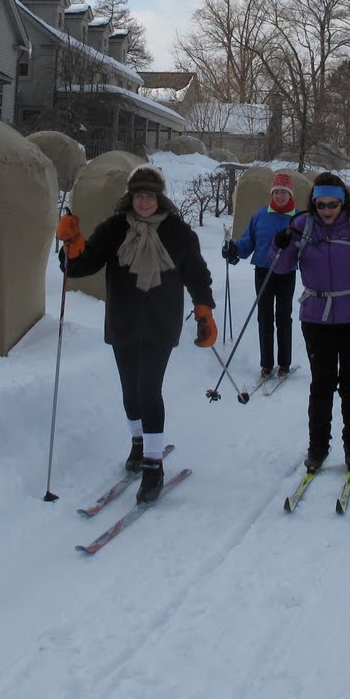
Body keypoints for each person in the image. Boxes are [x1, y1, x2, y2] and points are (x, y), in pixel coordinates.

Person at [56, 164, 216, 502]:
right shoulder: (114, 228)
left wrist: (204, 310)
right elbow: (83, 265)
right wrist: (72, 242)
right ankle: (138, 442)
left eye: (150, 195)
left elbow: (197, 274)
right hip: (124, 319)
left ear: (160, 198)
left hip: (161, 321)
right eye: (139, 195)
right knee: (130, 390)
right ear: (131, 197)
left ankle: (153, 467)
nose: (144, 201)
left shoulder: (178, 232)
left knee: (148, 389)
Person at [271, 171, 350, 471]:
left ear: (343, 204)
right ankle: (318, 446)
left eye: (332, 205)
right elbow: (280, 268)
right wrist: (281, 245)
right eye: (321, 205)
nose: (326, 211)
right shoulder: (301, 227)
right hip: (316, 317)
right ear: (313, 204)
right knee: (321, 384)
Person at [222, 170, 298, 378]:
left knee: (283, 317)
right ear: (271, 194)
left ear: (290, 194)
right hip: (263, 270)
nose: (279, 196)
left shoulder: (298, 218)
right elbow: (249, 241)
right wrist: (235, 249)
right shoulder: (260, 215)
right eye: (276, 192)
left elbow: (306, 248)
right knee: (264, 317)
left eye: (284, 192)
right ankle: (266, 364)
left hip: (286, 273)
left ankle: (284, 363)